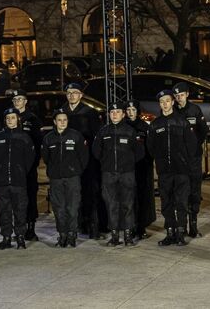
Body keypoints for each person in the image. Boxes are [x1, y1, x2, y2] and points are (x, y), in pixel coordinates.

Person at [147, 89, 197, 247]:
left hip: (182, 171)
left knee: (181, 202)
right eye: (162, 102)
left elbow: (192, 145)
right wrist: (160, 161)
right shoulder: (155, 124)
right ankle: (170, 232)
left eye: (167, 101)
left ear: (173, 102)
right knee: (166, 202)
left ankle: (181, 233)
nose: (165, 104)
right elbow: (151, 147)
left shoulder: (182, 122)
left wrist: (185, 162)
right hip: (164, 172)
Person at [93, 102, 143, 246]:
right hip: (109, 174)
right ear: (109, 114)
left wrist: (127, 163)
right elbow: (96, 152)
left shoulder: (130, 131)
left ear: (123, 114)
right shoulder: (103, 132)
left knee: (128, 204)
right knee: (111, 204)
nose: (114, 114)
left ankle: (128, 236)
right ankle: (114, 236)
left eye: (117, 112)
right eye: (112, 112)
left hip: (127, 174)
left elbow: (139, 152)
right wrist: (106, 163)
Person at [61, 83, 103, 238]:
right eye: (69, 93)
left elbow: (97, 137)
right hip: (68, 160)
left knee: (89, 193)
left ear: (81, 95)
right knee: (71, 194)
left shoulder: (89, 112)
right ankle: (74, 225)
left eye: (75, 93)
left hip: (87, 160)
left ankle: (92, 226)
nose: (71, 95)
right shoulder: (61, 112)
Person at [0, 108, 35, 250]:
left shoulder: (25, 138)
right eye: (8, 118)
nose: (10, 120)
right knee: (4, 211)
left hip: (19, 182)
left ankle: (20, 237)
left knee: (20, 210)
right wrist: (0, 171)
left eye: (13, 118)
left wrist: (20, 172)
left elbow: (30, 159)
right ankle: (6, 238)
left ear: (18, 119)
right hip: (2, 182)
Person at [42, 109, 89, 248]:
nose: (62, 122)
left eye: (65, 120)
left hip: (72, 178)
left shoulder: (76, 136)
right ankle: (62, 234)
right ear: (54, 122)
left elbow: (84, 157)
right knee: (59, 208)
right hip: (56, 179)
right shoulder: (48, 138)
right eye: (59, 120)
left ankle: (72, 235)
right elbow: (46, 157)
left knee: (72, 208)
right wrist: (54, 171)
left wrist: (76, 171)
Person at [173, 81, 208, 238]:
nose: (179, 98)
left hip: (193, 157)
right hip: (178, 159)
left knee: (194, 191)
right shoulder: (172, 112)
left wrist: (194, 146)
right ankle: (182, 226)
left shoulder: (195, 110)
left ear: (187, 94)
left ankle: (193, 225)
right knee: (180, 193)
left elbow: (203, 131)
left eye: (181, 95)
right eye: (177, 96)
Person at [9, 89, 43, 241]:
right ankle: (18, 229)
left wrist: (32, 164)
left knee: (30, 197)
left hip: (28, 168)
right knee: (15, 200)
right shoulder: (9, 117)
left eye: (20, 99)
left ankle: (31, 228)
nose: (17, 102)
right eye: (15, 99)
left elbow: (38, 143)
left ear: (26, 101)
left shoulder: (32, 119)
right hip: (13, 168)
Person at [126, 99, 156, 240]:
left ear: (138, 111)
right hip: (127, 169)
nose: (131, 113)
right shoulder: (123, 127)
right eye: (128, 110)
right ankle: (130, 227)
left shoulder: (144, 126)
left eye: (133, 110)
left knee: (143, 198)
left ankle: (141, 227)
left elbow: (151, 147)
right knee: (129, 199)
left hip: (143, 168)